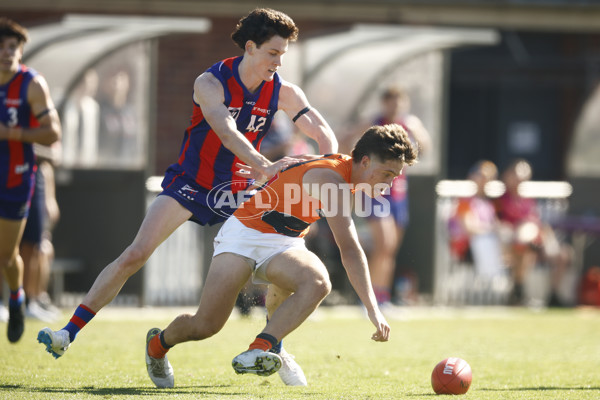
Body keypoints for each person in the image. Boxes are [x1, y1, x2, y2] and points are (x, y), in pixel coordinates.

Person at [38, 8, 337, 387]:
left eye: (283, 55)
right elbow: (226, 132)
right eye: (273, 53)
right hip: (192, 184)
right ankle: (69, 332)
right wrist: (266, 165)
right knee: (135, 254)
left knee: (292, 242)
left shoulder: (283, 90)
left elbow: (323, 133)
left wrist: (327, 163)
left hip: (243, 190)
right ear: (250, 47)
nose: (278, 63)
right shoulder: (210, 82)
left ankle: (273, 344)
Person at [141, 123, 416, 388]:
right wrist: (373, 308)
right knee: (205, 326)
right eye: (387, 174)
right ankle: (157, 345)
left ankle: (264, 347)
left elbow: (304, 162)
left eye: (395, 176)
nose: (390, 184)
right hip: (243, 234)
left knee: (318, 281)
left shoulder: (347, 170)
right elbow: (350, 250)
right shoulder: (332, 179)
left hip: (285, 242)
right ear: (365, 162)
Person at [0, 17, 62, 343]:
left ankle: (16, 296)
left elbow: (54, 133)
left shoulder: (31, 84)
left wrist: (11, 133)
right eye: (1, 47)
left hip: (15, 177)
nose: (6, 53)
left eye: (12, 47)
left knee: (7, 255)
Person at [345, 86, 430, 305]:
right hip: (375, 191)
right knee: (384, 243)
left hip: (399, 193)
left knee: (390, 249)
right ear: (384, 103)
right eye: (391, 101)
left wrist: (416, 132)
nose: (396, 106)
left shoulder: (410, 124)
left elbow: (425, 149)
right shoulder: (374, 123)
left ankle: (382, 297)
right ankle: (369, 298)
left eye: (399, 102)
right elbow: (346, 139)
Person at [495, 159, 573, 306]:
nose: (519, 181)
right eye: (516, 176)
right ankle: (518, 291)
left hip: (536, 242)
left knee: (563, 255)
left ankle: (553, 295)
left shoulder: (527, 200)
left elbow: (537, 223)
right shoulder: (500, 200)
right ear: (508, 176)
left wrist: (544, 235)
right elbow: (499, 223)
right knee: (524, 249)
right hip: (514, 244)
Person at [448, 160, 504, 279]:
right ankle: (492, 282)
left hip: (488, 243)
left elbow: (497, 226)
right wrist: (491, 229)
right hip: (466, 247)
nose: (485, 181)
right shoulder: (464, 200)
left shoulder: (489, 203)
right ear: (472, 176)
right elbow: (469, 229)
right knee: (484, 241)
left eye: (490, 178)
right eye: (482, 176)